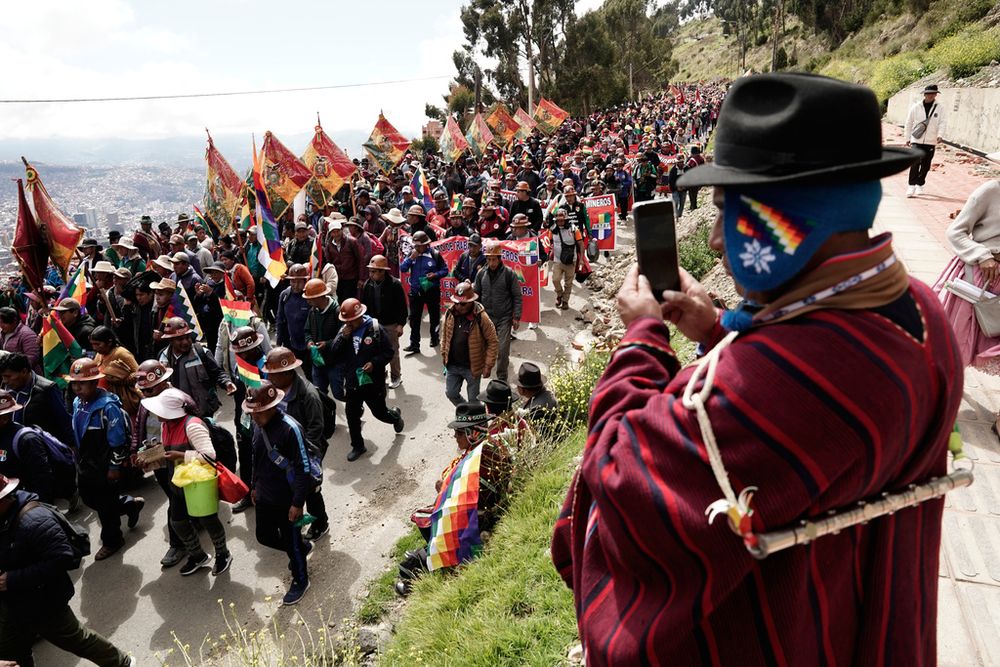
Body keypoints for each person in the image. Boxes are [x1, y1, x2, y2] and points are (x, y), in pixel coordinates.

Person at [551, 73, 963, 665]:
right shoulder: (921, 308)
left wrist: (643, 337)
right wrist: (715, 327)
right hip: (858, 616)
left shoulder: (793, 377)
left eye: (729, 211)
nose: (717, 240)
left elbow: (623, 480)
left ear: (787, 221)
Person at [0, 474, 136, 667]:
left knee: (78, 639)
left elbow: (62, 558)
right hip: (11, 604)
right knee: (10, 652)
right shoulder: (5, 518)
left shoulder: (34, 520)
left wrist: (12, 579)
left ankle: (123, 663)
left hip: (43, 602)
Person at [141, 387, 233, 576]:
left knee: (208, 520)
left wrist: (181, 455)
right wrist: (148, 459)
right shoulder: (165, 425)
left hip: (199, 484)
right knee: (178, 522)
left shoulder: (192, 425)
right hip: (178, 482)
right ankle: (198, 556)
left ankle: (223, 553)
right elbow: (166, 450)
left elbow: (210, 456)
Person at [933, 179, 1000, 424]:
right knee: (958, 342)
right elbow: (955, 231)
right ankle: (938, 399)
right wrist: (983, 255)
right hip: (980, 277)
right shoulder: (990, 190)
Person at [66, 358, 144, 560]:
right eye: (75, 383)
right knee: (91, 498)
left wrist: (114, 466)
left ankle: (113, 540)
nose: (77, 388)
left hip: (104, 463)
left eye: (82, 383)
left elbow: (118, 441)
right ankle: (128, 505)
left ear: (94, 382)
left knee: (105, 505)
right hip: (86, 462)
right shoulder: (77, 402)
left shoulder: (108, 407)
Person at [245, 381, 314, 606]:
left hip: (287, 499)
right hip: (265, 496)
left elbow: (303, 468)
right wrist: (254, 486)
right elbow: (255, 458)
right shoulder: (257, 426)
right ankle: (300, 549)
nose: (254, 416)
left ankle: (301, 579)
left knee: (291, 540)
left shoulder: (290, 429)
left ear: (272, 406)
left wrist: (297, 503)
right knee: (263, 536)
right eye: (252, 412)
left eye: (259, 411)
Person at [263, 347, 329, 541]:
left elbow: (316, 429)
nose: (269, 377)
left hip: (306, 450)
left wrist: (301, 455)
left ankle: (320, 523)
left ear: (287, 372)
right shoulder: (273, 389)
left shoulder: (308, 396)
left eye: (274, 374)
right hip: (283, 451)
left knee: (310, 489)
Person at [329, 299, 404, 461]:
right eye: (346, 321)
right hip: (353, 383)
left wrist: (374, 363)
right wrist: (342, 337)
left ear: (360, 316)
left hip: (372, 382)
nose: (348, 323)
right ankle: (358, 446)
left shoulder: (375, 328)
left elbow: (388, 352)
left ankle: (395, 416)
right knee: (352, 415)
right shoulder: (344, 331)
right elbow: (333, 353)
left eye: (351, 320)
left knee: (380, 413)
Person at [131, 360, 186, 567]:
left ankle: (177, 544)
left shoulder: (179, 398)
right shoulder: (145, 403)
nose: (145, 393)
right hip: (159, 461)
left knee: (176, 502)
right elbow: (138, 427)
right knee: (174, 497)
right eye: (143, 390)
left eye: (149, 389)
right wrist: (135, 451)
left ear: (163, 383)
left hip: (179, 458)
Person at [159, 317, 235, 420]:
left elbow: (217, 373)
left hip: (203, 413)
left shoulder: (202, 353)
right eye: (180, 339)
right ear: (170, 340)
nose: (185, 342)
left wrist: (227, 383)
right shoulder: (163, 358)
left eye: (187, 337)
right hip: (177, 414)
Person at [440, 281, 498, 406]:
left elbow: (493, 341)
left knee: (474, 400)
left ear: (471, 302)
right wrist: (444, 355)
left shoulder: (482, 317)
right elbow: (445, 336)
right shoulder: (449, 314)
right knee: (451, 393)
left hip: (472, 368)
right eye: (457, 303)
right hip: (453, 366)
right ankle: (465, 412)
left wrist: (488, 365)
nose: (459, 307)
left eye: (463, 304)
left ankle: (475, 421)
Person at [0, 352, 74, 447]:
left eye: (8, 376)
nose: (5, 381)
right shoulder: (5, 388)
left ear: (24, 371)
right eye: (3, 377)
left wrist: (71, 447)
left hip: (41, 447)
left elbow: (64, 421)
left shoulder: (47, 389)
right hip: (11, 447)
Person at [0, 390, 59, 504]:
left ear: (4, 419)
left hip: (26, 508)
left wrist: (35, 510)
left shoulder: (26, 440)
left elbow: (43, 481)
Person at [474, 243, 522, 382]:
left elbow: (517, 296)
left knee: (502, 350)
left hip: (504, 318)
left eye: (494, 259)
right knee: (481, 347)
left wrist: (516, 317)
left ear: (500, 258)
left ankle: (502, 378)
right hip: (486, 317)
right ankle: (481, 370)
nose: (491, 263)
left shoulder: (509, 274)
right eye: (488, 259)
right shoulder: (481, 273)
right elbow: (476, 294)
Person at [360, 255, 408, 389]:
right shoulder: (367, 285)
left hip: (390, 324)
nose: (371, 274)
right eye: (370, 271)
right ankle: (382, 373)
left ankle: (396, 376)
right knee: (375, 351)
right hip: (373, 324)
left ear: (382, 271)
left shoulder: (395, 284)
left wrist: (400, 324)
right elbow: (364, 306)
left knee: (392, 351)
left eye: (374, 271)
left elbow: (402, 307)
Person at [400, 231, 449, 353]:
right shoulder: (412, 254)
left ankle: (435, 338)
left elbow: (445, 270)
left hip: (432, 291)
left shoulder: (435, 254)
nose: (416, 248)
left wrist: (435, 275)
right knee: (414, 319)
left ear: (426, 244)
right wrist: (411, 258)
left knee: (434, 317)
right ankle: (414, 344)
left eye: (418, 245)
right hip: (416, 292)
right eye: (415, 245)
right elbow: (403, 268)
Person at [303, 277, 344, 406]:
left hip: (335, 362)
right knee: (319, 393)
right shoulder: (312, 312)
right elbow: (307, 331)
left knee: (339, 393)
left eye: (310, 298)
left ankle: (356, 409)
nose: (308, 301)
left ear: (320, 296)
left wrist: (327, 344)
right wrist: (309, 341)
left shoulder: (337, 312)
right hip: (318, 362)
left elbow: (344, 337)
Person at [90, 325, 142, 419]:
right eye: (93, 344)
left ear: (109, 342)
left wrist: (121, 380)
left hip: (122, 405)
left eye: (98, 344)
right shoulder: (99, 355)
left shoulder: (121, 353)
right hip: (102, 404)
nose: (94, 347)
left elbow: (140, 373)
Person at [904, 83, 945, 197]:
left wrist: (940, 135)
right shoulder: (916, 107)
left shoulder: (940, 108)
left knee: (926, 165)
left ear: (936, 94)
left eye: (933, 93)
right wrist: (907, 138)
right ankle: (911, 186)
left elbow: (942, 122)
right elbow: (908, 122)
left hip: (931, 141)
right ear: (924, 94)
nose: (930, 96)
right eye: (928, 93)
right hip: (916, 140)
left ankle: (920, 184)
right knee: (915, 162)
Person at [276, 264, 313, 378]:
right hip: (291, 343)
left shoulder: (310, 295)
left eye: (299, 282)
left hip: (308, 345)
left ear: (305, 281)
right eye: (292, 281)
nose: (295, 285)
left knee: (311, 375)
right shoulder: (285, 295)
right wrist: (279, 342)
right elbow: (280, 320)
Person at [548, 208, 585, 310]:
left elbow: (581, 244)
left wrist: (581, 259)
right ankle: (559, 294)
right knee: (555, 280)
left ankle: (565, 301)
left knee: (568, 283)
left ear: (566, 219)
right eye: (558, 220)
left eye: (562, 220)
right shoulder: (552, 229)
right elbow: (548, 242)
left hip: (571, 260)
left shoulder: (574, 229)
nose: (560, 222)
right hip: (557, 260)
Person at [325, 218, 363, 303]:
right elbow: (329, 262)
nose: (336, 234)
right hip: (338, 279)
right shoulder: (329, 245)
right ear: (330, 233)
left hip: (351, 278)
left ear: (342, 230)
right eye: (333, 232)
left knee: (350, 301)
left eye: (338, 231)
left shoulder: (352, 242)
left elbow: (360, 260)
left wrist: (361, 278)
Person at [0, 309, 39, 373]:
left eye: (4, 323)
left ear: (14, 321)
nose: (1, 326)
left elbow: (31, 359)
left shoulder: (27, 335)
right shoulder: (3, 332)